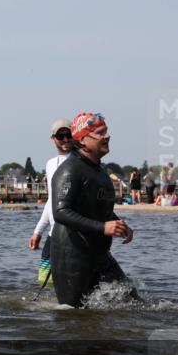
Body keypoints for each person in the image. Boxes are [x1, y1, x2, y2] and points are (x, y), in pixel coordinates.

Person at [51, 113, 135, 307]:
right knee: (73, 316)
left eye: (106, 131)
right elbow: (60, 212)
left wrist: (119, 224)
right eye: (99, 133)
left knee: (132, 302)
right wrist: (103, 227)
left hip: (100, 255)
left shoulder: (99, 170)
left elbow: (97, 208)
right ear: (82, 140)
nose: (107, 136)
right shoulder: (70, 169)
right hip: (73, 255)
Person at [28, 119, 74, 291]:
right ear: (53, 139)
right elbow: (51, 200)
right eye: (60, 136)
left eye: (68, 135)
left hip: (73, 231)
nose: (65, 139)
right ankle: (52, 316)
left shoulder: (80, 161)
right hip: (54, 232)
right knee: (44, 280)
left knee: (72, 280)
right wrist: (38, 231)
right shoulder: (50, 164)